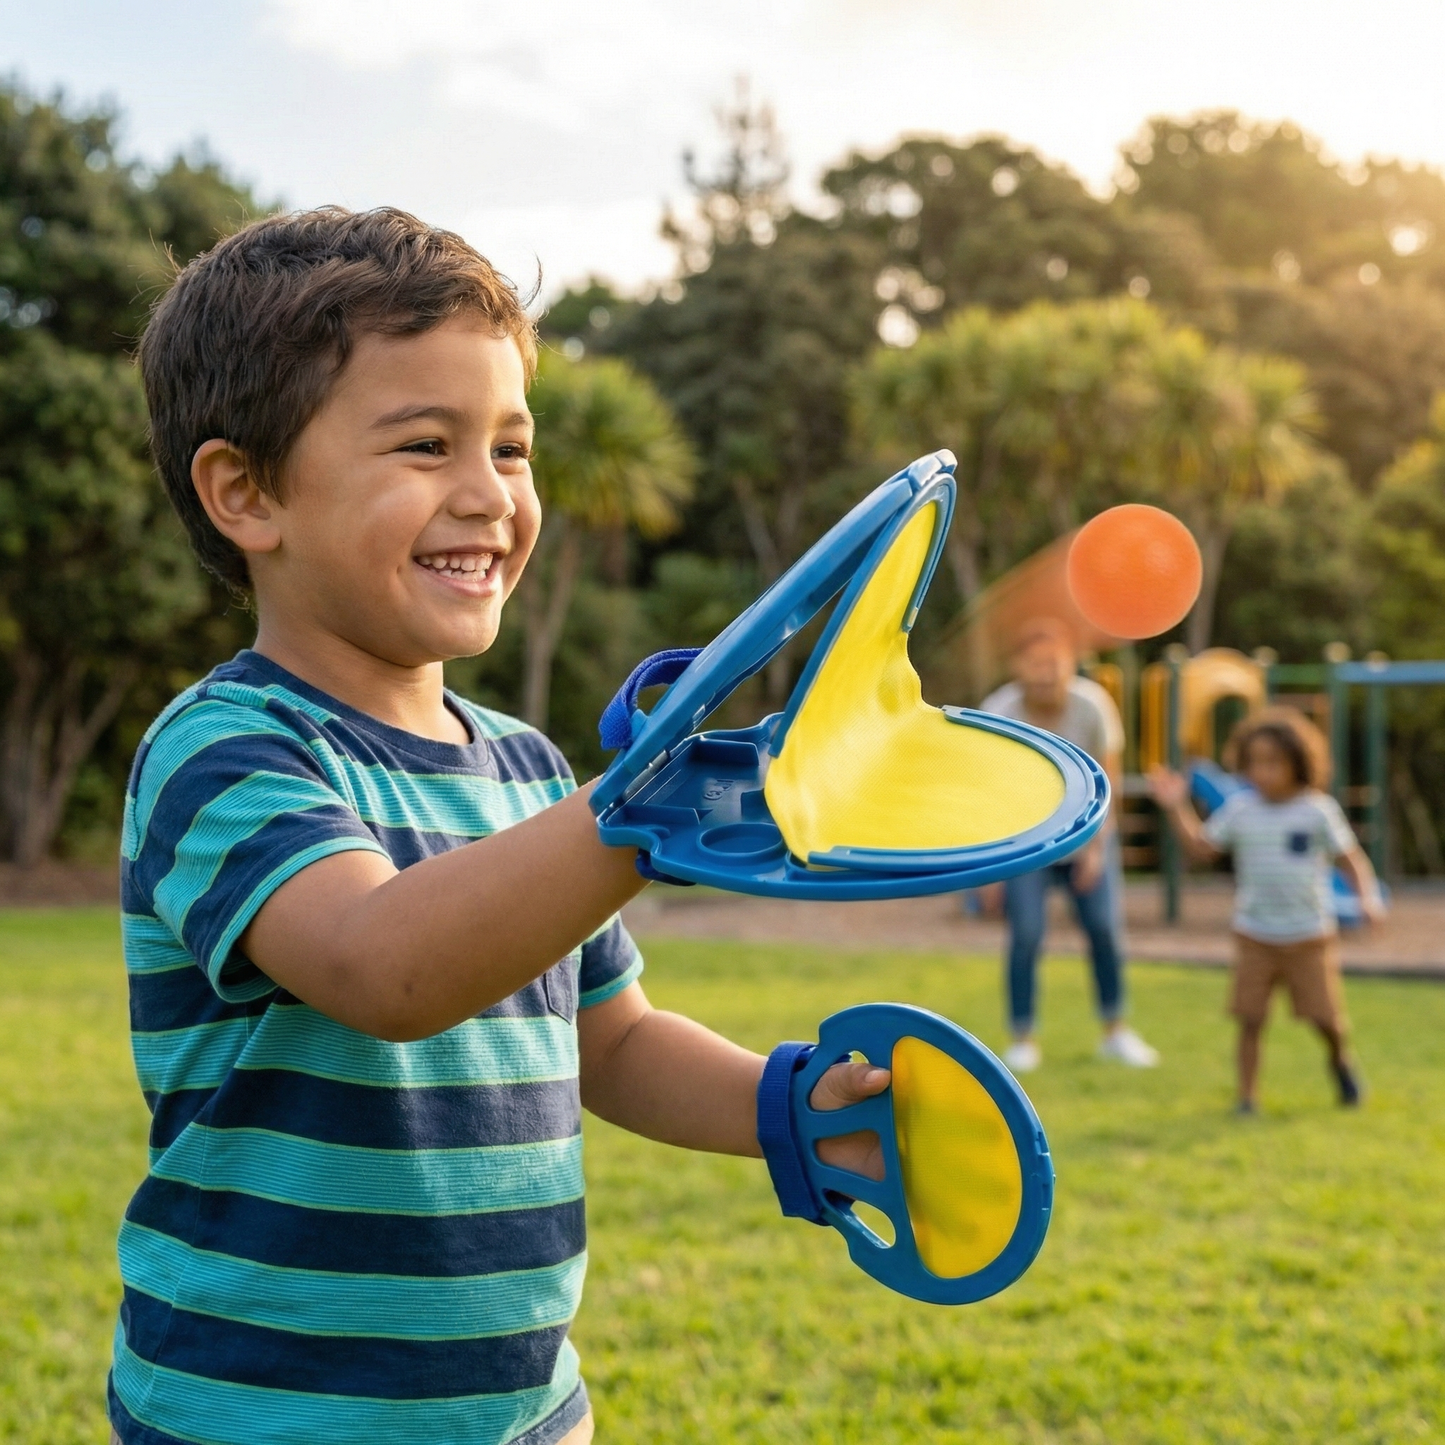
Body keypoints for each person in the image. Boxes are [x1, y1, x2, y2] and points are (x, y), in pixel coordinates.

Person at [111, 207, 888, 1445]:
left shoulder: (528, 770)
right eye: (424, 443)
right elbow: (384, 960)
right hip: (266, 1410)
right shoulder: (224, 749)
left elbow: (612, 1042)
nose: (488, 494)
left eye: (511, 449)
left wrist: (784, 1108)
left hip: (518, 1408)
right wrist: (629, 816)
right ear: (245, 492)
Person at [1150, 707, 1383, 1114]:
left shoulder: (1318, 811)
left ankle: (1340, 1061)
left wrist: (1368, 898)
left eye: (1274, 763)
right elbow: (1202, 848)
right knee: (1250, 1019)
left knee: (1325, 1019)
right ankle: (1247, 1098)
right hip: (1255, 934)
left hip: (1309, 935)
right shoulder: (1241, 810)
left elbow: (1351, 860)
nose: (1262, 772)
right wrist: (1175, 806)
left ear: (1299, 763)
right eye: (1255, 762)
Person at [979, 619, 1159, 1073]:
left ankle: (1115, 1032)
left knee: (1103, 930)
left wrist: (1096, 849)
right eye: (1034, 662)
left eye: (1053, 662)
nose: (1044, 671)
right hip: (1023, 845)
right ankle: (1022, 1037)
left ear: (1070, 664)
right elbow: (986, 793)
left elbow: (1109, 780)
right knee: (1026, 935)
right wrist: (992, 869)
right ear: (1017, 666)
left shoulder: (1092, 705)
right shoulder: (999, 710)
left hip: (1086, 837)